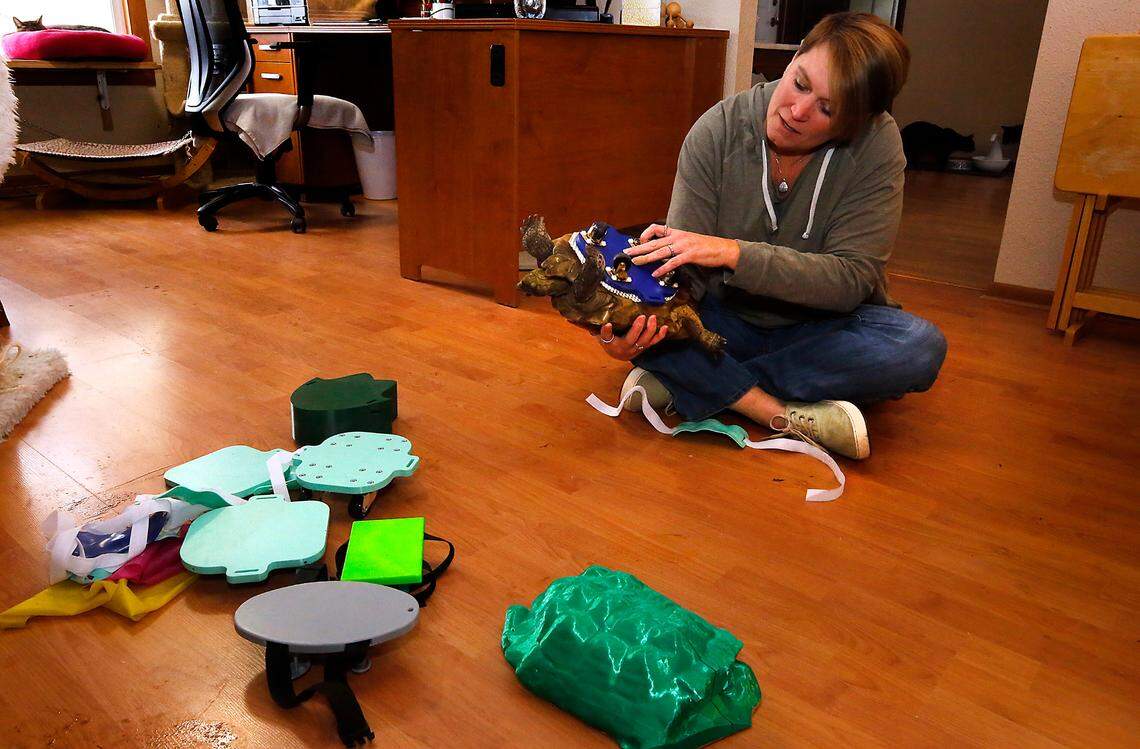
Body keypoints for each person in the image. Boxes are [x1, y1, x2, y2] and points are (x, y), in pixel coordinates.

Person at [594, 11, 946, 460]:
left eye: (828, 108)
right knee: (641, 318)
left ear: (857, 122)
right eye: (800, 83)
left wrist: (733, 253)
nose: (796, 112)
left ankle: (698, 381)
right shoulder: (716, 131)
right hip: (723, 320)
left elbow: (851, 281)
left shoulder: (878, 146)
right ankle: (779, 413)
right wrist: (628, 324)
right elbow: (682, 282)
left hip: (822, 328)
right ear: (794, 56)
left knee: (918, 348)